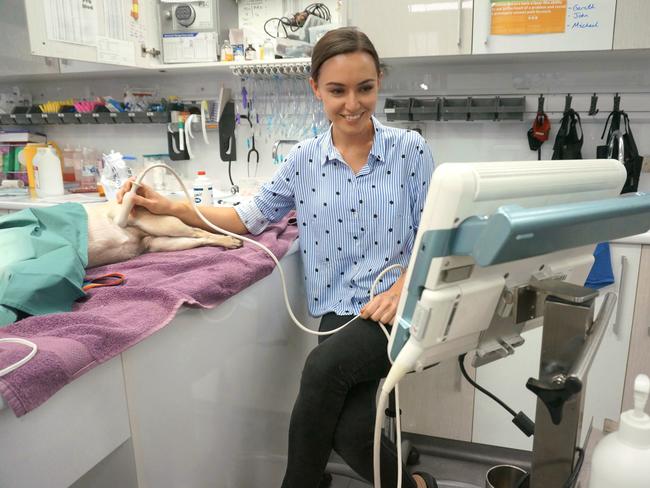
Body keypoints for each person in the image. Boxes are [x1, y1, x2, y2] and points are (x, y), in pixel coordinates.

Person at [117, 27, 437, 488]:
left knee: (321, 369)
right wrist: (171, 206)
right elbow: (248, 218)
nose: (352, 103)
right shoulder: (303, 160)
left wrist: (401, 287)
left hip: (396, 313)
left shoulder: (410, 151)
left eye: (364, 88)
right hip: (335, 315)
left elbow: (437, 235)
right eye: (337, 90)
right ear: (315, 89)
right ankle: (420, 486)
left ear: (380, 82)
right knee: (349, 434)